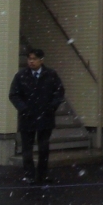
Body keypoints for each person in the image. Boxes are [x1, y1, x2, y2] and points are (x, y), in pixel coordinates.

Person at [8, 48, 65, 185]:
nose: (31, 62)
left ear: (41, 60)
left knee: (43, 148)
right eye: (29, 59)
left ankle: (42, 175)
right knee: (27, 148)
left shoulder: (50, 75)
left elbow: (59, 92)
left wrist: (51, 107)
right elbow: (14, 95)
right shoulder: (21, 76)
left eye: (34, 59)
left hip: (45, 117)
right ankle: (29, 175)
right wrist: (23, 108)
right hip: (27, 117)